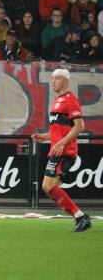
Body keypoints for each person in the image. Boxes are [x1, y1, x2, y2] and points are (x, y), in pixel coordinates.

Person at [31, 68, 91, 232]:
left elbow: (80, 127)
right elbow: (59, 131)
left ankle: (80, 217)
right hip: (57, 151)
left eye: (57, 78)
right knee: (49, 188)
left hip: (65, 152)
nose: (53, 81)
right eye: (52, 78)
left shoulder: (70, 99)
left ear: (65, 81)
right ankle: (80, 217)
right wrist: (44, 137)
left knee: (48, 186)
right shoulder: (57, 101)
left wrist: (62, 143)